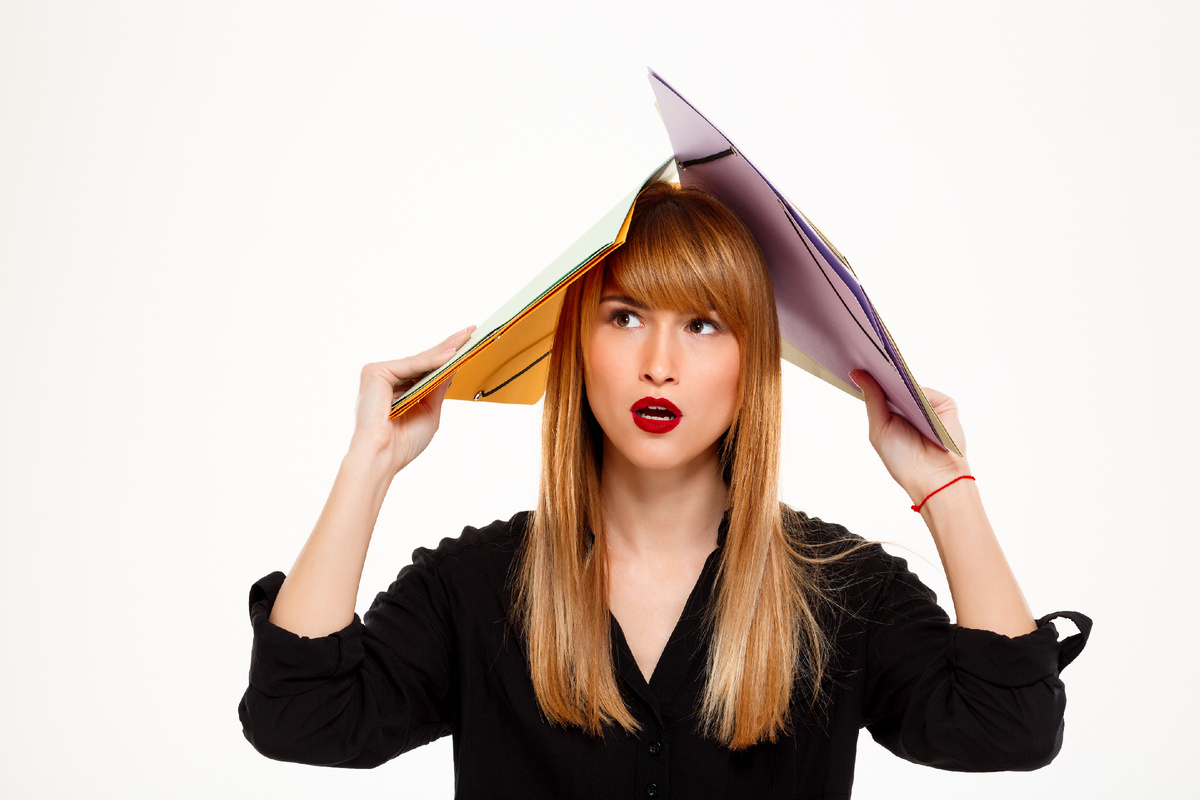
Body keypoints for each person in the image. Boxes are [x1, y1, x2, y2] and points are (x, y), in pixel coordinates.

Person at [239, 182, 1088, 798]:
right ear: (578, 344)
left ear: (753, 363)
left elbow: (1010, 728)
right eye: (625, 316)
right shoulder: (473, 587)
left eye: (703, 324)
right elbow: (299, 715)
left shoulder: (842, 590)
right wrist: (369, 463)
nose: (659, 364)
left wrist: (947, 486)